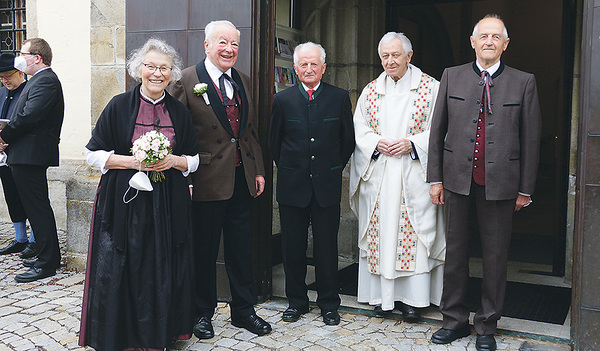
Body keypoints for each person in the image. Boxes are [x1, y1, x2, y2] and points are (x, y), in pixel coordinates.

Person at [427, 14, 542, 351]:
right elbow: (437, 132)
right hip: (456, 179)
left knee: (494, 256)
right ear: (473, 42)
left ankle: (487, 326)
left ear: (505, 44)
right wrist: (435, 178)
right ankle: (454, 321)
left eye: (496, 37)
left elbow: (531, 138)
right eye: (484, 36)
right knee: (456, 254)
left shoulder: (524, 81)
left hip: (502, 183)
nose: (489, 41)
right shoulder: (452, 76)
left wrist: (525, 188)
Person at [78, 38, 199, 351]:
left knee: (163, 265)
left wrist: (173, 161)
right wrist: (134, 161)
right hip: (124, 203)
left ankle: (162, 333)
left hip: (168, 204)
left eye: (164, 68)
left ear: (172, 74)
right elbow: (92, 154)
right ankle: (124, 336)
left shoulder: (180, 112)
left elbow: (194, 159)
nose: (157, 73)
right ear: (138, 70)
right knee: (126, 265)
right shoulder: (118, 105)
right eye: (150, 66)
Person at [171, 20, 271, 338]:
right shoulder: (186, 80)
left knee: (241, 250)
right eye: (222, 43)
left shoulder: (242, 79)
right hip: (205, 181)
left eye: (234, 44)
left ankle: (244, 310)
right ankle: (202, 313)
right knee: (204, 252)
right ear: (207, 45)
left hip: (241, 179)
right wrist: (184, 179)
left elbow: (249, 131)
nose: (229, 49)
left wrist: (257, 169)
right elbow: (177, 135)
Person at [349, 32, 445, 322]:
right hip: (378, 176)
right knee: (381, 235)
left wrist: (412, 143)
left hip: (414, 175)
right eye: (385, 56)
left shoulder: (431, 88)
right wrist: (375, 142)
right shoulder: (371, 90)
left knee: (414, 236)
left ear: (409, 56)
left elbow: (442, 130)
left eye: (395, 55)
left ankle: (415, 300)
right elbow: (359, 127)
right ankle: (382, 298)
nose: (390, 61)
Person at [268, 42, 355, 326]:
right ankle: (297, 302)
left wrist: (329, 170)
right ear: (295, 69)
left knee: (326, 248)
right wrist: (294, 170)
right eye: (303, 64)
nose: (308, 69)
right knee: (292, 248)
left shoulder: (339, 98)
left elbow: (347, 142)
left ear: (323, 68)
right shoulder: (282, 100)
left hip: (326, 187)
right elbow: (274, 143)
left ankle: (329, 304)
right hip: (292, 186)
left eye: (313, 64)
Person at [0, 38, 64, 283]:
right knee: (35, 208)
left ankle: (47, 262)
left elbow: (29, 116)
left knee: (38, 209)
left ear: (37, 57)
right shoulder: (39, 80)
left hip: (31, 155)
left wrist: (3, 136)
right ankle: (47, 256)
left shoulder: (46, 80)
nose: (20, 58)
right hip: (25, 154)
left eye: (23, 54)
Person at [0, 53, 37, 259]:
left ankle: (34, 239)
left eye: (8, 76)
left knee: (29, 198)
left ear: (20, 73)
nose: (5, 81)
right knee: (12, 196)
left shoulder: (29, 90)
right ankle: (20, 237)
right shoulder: (1, 93)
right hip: (3, 155)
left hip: (23, 153)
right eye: (1, 78)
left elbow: (28, 120)